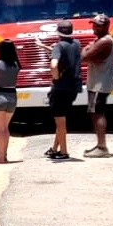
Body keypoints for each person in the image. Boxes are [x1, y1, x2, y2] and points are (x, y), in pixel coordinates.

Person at [37, 20, 82, 159]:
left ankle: (64, 152)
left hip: (60, 88)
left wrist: (55, 78)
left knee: (60, 122)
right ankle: (54, 148)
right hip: (73, 87)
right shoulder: (76, 44)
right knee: (60, 120)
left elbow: (54, 63)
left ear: (57, 32)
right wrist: (44, 46)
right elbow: (63, 53)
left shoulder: (58, 46)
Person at [81, 14, 113, 158]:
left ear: (106, 26)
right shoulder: (99, 40)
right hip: (96, 82)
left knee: (98, 113)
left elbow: (83, 57)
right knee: (94, 113)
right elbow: (87, 55)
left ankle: (102, 147)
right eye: (94, 24)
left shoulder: (105, 42)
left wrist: (88, 50)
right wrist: (88, 51)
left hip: (99, 83)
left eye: (98, 25)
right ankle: (99, 145)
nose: (95, 27)